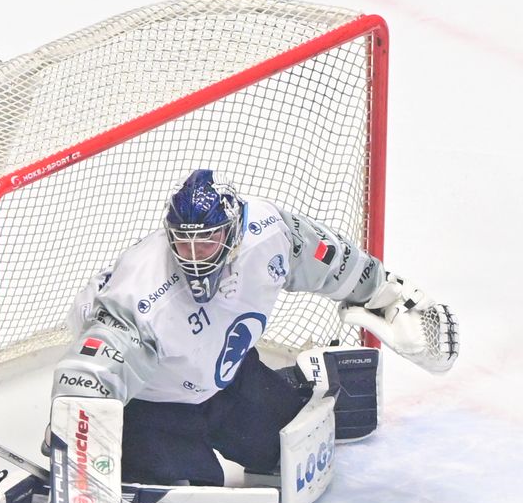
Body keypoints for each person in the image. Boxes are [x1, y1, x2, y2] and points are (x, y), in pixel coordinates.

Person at [45, 169, 459, 487]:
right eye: (184, 243)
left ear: (233, 231)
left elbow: (331, 260)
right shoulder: (142, 294)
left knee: (286, 448)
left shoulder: (268, 231)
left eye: (207, 242)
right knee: (196, 494)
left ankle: (289, 384)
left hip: (228, 380)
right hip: (154, 404)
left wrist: (386, 295)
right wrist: (76, 436)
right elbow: (91, 368)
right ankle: (126, 450)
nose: (193, 256)